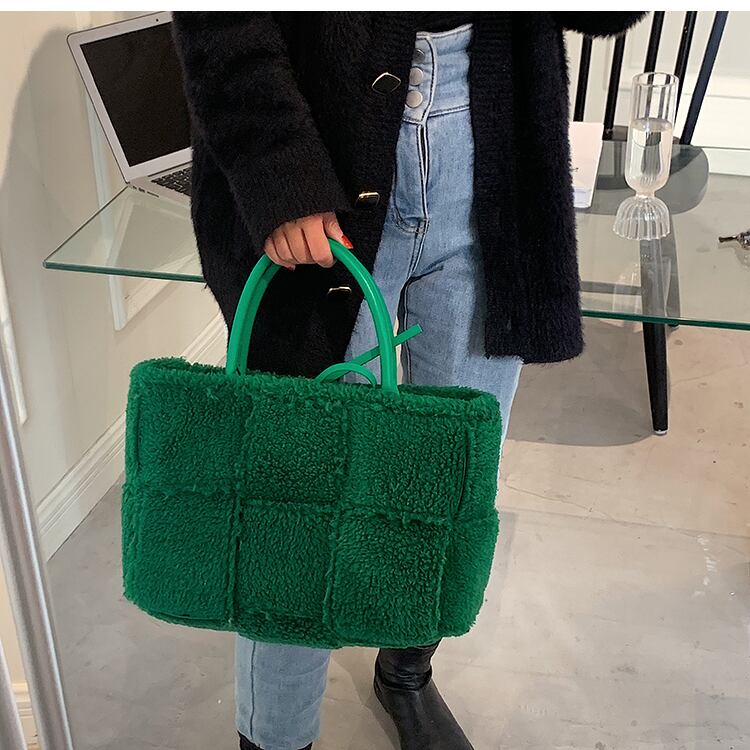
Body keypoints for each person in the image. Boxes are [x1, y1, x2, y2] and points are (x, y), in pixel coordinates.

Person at [172, 11, 645, 750]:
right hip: (322, 143)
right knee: (298, 498)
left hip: (493, 135)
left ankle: (406, 669)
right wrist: (281, 173)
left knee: (450, 479)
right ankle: (275, 738)